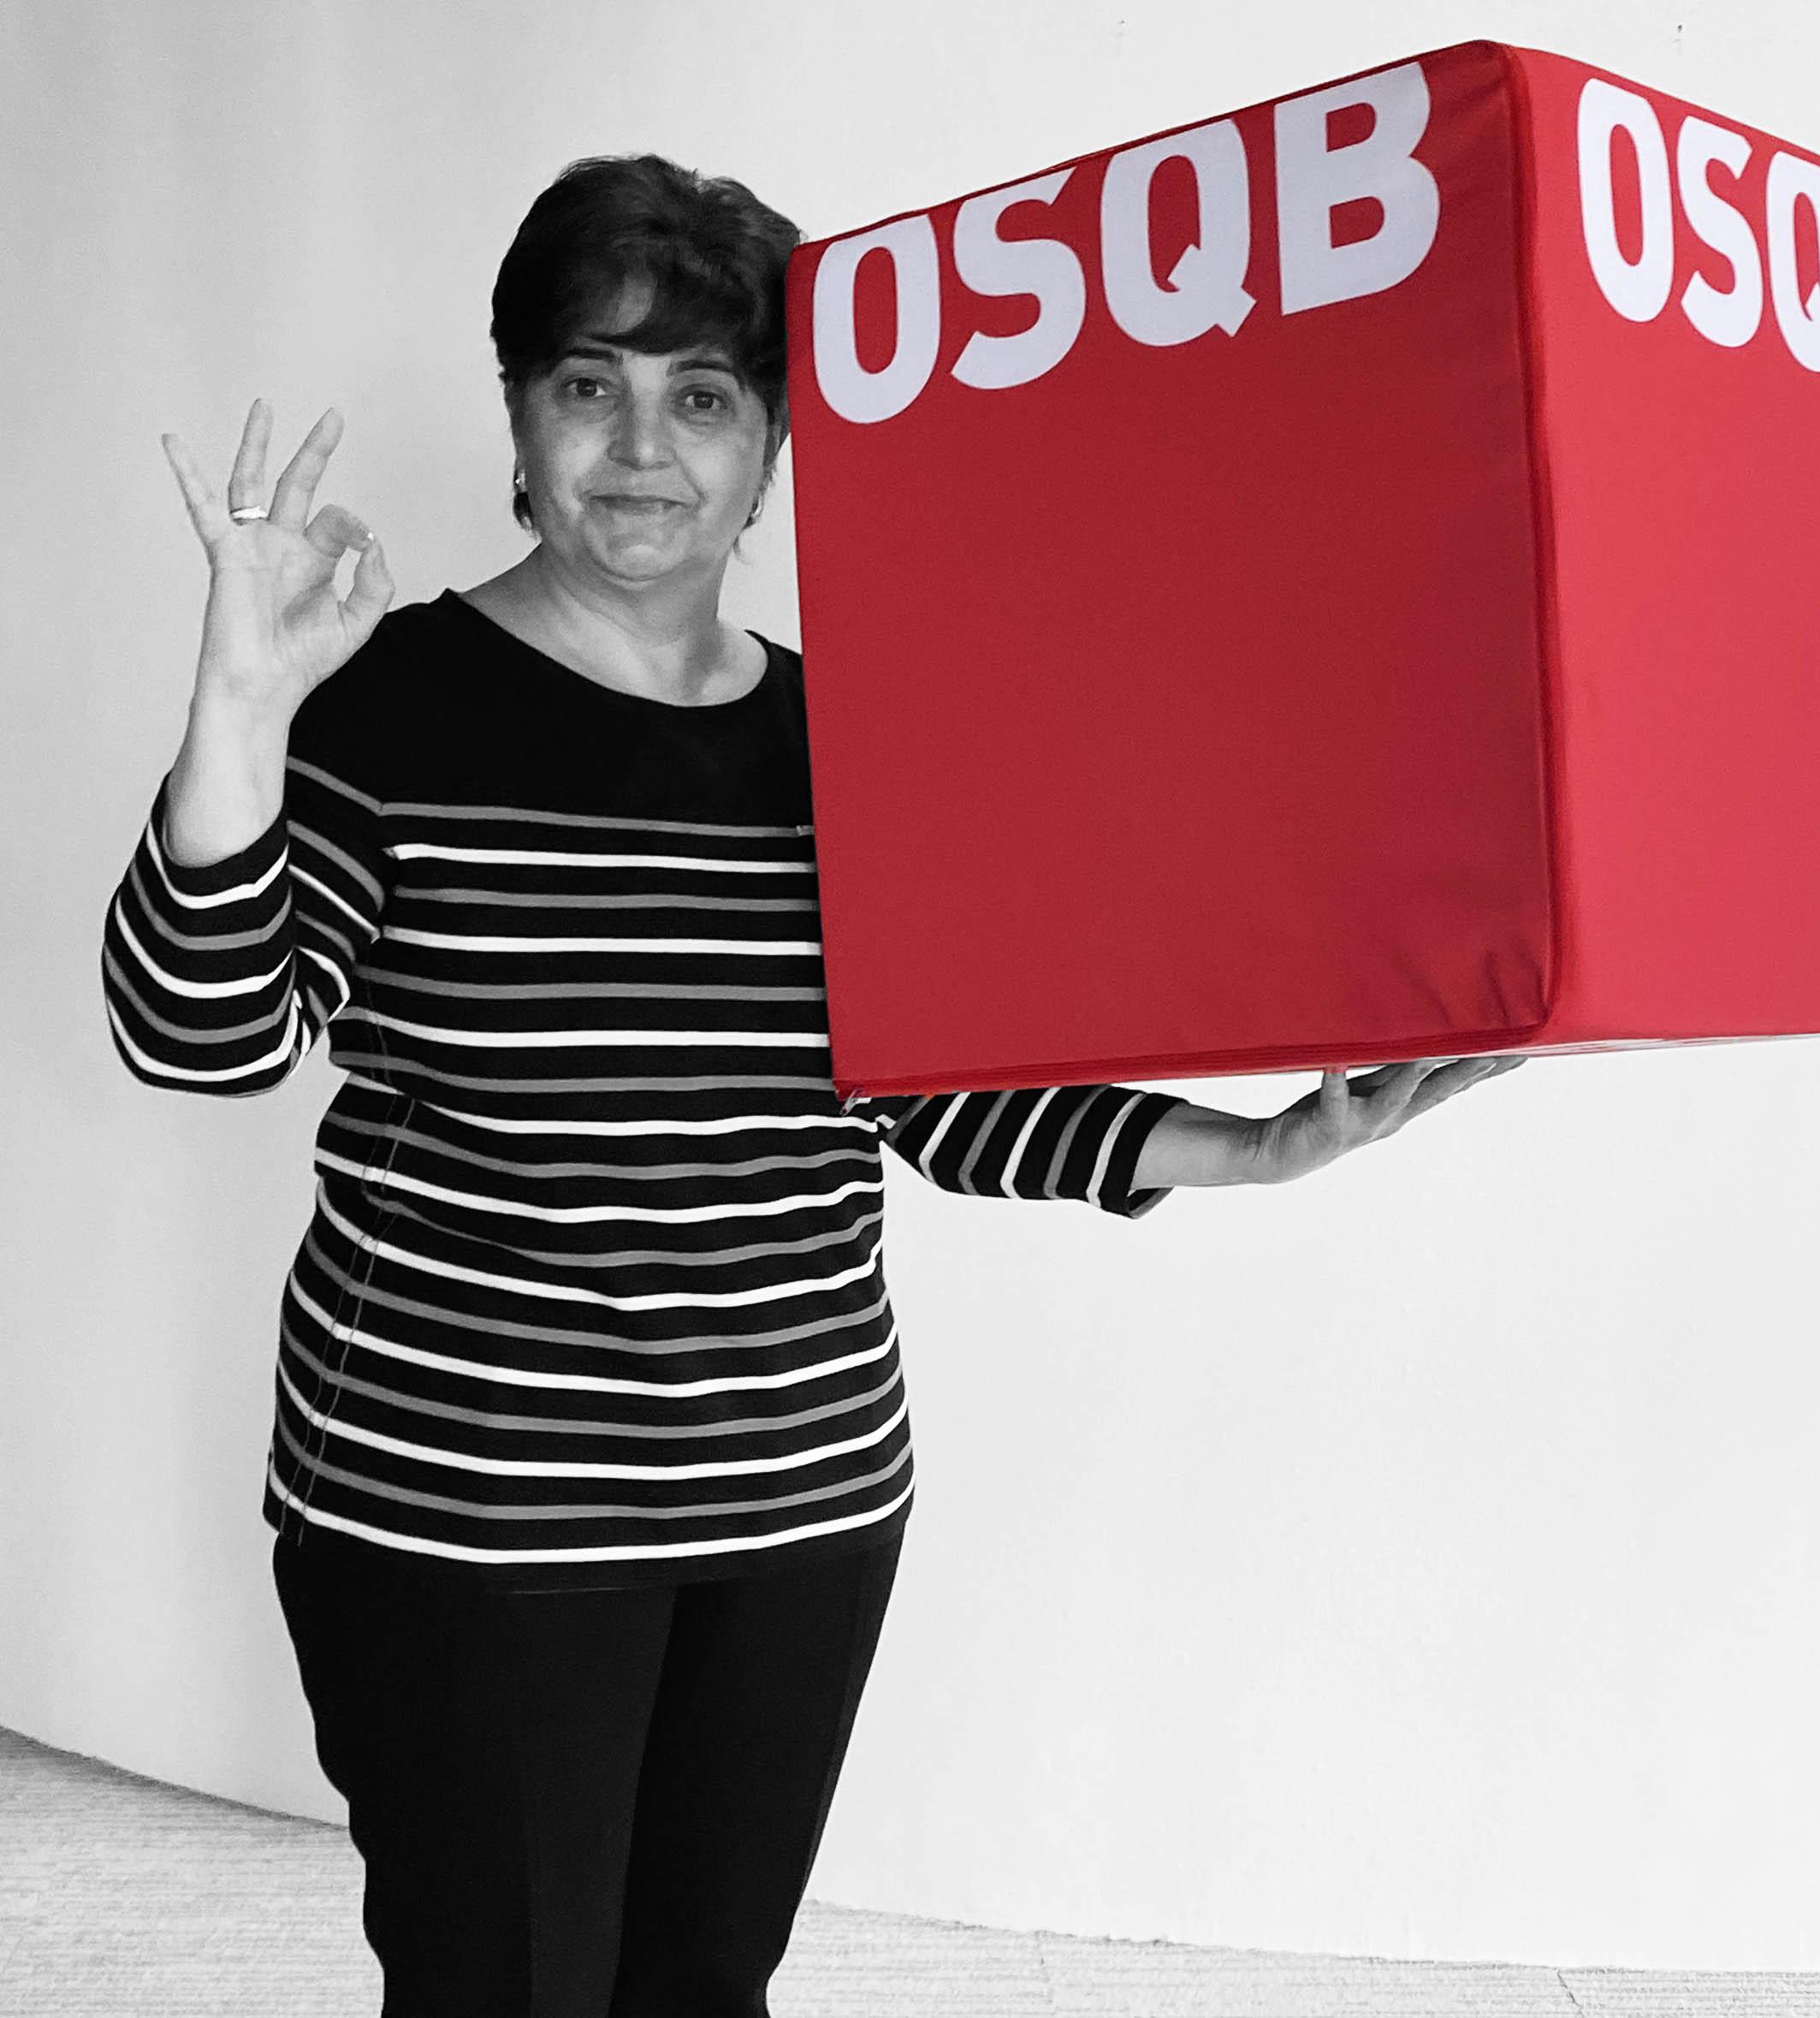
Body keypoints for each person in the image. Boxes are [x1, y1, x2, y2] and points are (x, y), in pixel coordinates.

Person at [99, 153, 1525, 2018]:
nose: (641, 448)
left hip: (799, 1499)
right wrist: (238, 709)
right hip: (469, 1516)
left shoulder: (851, 741)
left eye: (704, 396)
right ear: (517, 414)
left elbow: (929, 1091)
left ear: (772, 443)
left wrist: (1249, 1145)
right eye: (589, 384)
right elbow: (199, 1036)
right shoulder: (389, 704)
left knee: (705, 1987)